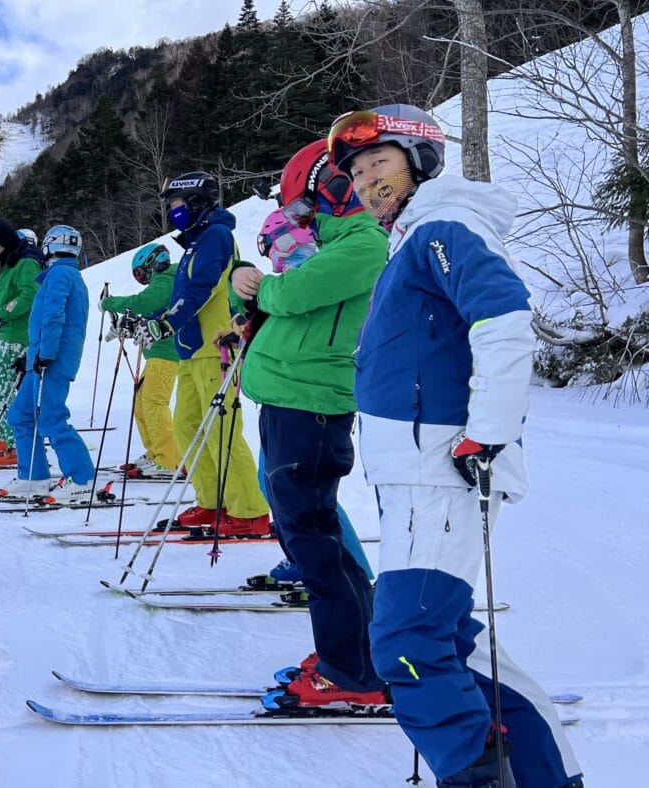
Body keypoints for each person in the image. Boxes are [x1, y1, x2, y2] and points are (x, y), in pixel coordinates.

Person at [330, 104, 583, 787]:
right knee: (457, 650)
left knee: (409, 645)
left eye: (378, 161)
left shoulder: (444, 223)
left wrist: (488, 434)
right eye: (356, 171)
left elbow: (503, 319)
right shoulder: (414, 237)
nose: (365, 180)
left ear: (420, 159)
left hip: (442, 468)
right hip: (419, 473)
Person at [226, 143, 389, 710]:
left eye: (305, 205)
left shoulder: (363, 244)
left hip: (312, 404)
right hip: (288, 399)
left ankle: (354, 669)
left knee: (316, 543)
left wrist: (262, 285)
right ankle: (356, 653)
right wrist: (246, 277)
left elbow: (292, 293)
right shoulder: (332, 241)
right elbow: (272, 288)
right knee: (308, 535)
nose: (301, 218)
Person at [246, 208, 372, 591]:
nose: (275, 257)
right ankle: (304, 560)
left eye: (278, 246)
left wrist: (265, 294)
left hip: (311, 401)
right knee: (277, 488)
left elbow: (295, 304)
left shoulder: (320, 271)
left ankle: (354, 577)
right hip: (286, 396)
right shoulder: (295, 277)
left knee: (311, 505)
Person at [154, 172, 269, 534]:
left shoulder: (216, 236)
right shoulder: (194, 241)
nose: (173, 212)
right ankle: (212, 501)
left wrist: (170, 321)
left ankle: (249, 510)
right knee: (188, 426)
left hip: (214, 347)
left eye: (176, 205)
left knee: (221, 431)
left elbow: (201, 286)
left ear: (195, 201)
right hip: (191, 349)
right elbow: (184, 290)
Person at [0, 225, 95, 503]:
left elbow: (54, 317)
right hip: (39, 360)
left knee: (51, 419)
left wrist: (45, 355)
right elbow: (42, 323)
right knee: (20, 415)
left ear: (50, 246)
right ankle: (34, 477)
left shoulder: (61, 275)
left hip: (52, 362)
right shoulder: (59, 274)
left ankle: (82, 480)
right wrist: (29, 355)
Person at [100, 243, 182, 476]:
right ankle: (156, 451)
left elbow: (142, 302)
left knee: (154, 404)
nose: (142, 279)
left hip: (166, 354)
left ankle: (169, 459)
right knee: (141, 405)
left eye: (141, 273)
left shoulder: (166, 278)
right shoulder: (164, 281)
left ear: (152, 263)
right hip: (156, 354)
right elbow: (149, 312)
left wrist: (110, 303)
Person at [0, 218, 44, 466]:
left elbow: (30, 293)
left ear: (4, 241)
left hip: (19, 336)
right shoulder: (11, 263)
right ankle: (10, 437)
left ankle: (17, 443)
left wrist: (1, 314)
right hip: (9, 334)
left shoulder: (25, 262)